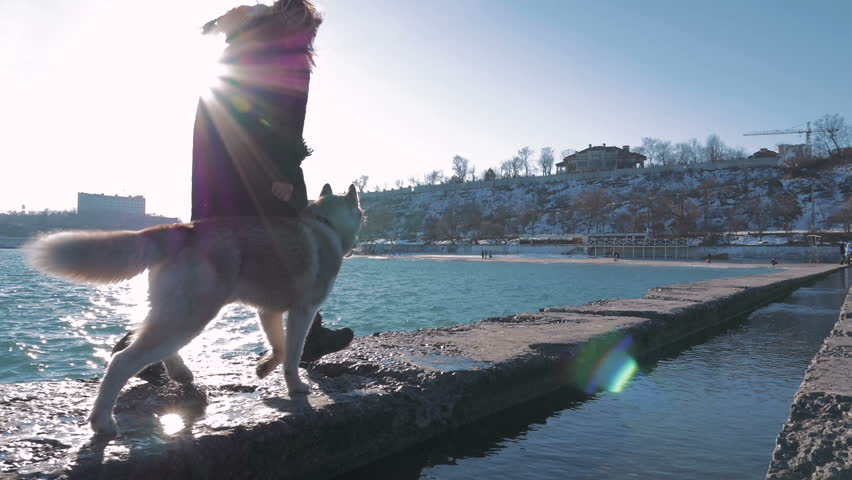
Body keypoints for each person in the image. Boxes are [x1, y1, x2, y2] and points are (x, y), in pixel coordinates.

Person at [113, 1, 352, 381]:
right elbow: (279, 118)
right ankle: (141, 347)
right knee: (293, 244)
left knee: (208, 255)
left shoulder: (246, 44)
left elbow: (234, 109)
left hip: (222, 169)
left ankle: (145, 345)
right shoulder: (283, 54)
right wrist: (282, 172)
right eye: (311, 28)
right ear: (300, 24)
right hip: (260, 171)